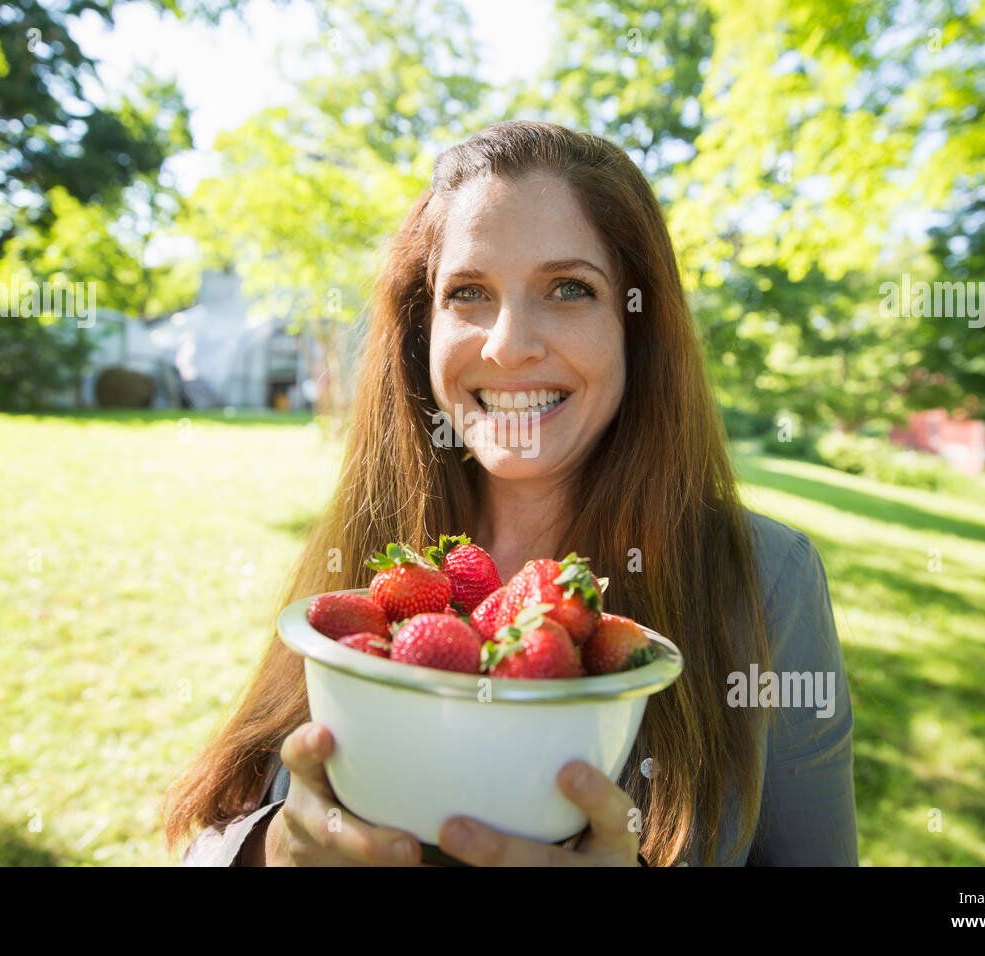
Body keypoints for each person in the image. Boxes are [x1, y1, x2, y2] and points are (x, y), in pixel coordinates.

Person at [164, 120, 857, 867]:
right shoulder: (378, 548)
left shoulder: (764, 580)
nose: (508, 344)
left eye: (568, 289)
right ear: (419, 328)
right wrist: (272, 850)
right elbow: (215, 824)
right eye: (469, 292)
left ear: (638, 322)